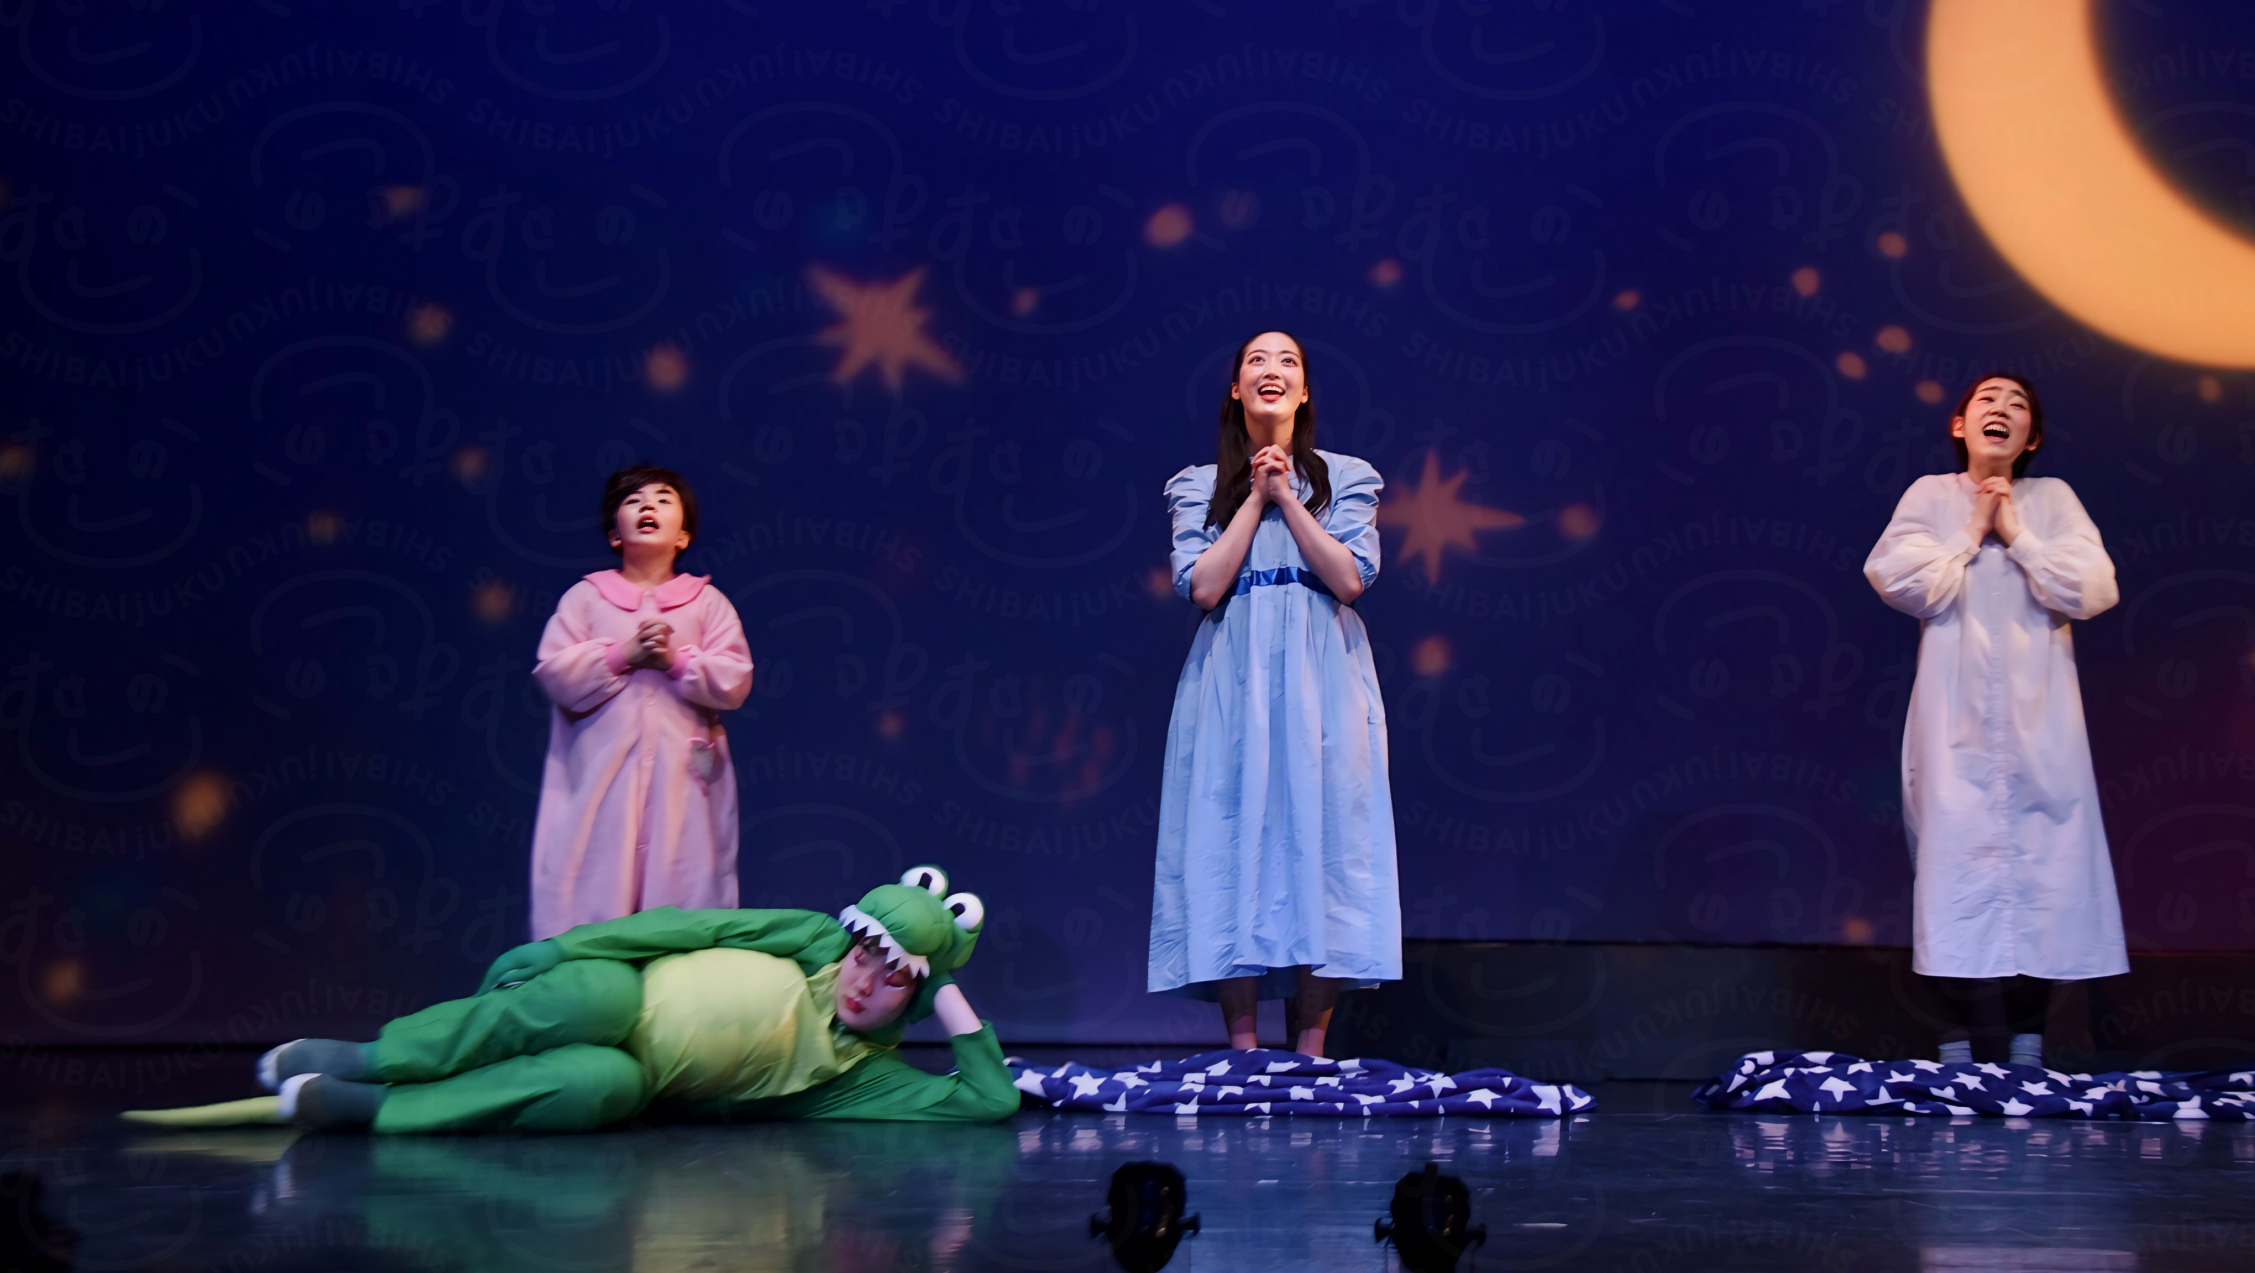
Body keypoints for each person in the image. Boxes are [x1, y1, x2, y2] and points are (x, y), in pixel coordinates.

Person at [122, 867, 1017, 1132]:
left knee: (594, 1086)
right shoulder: (812, 938)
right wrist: (564, 945)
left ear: (915, 995)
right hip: (624, 993)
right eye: (865, 956)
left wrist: (943, 989)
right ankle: (369, 1057)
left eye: (891, 977)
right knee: (581, 997)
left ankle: (376, 1109)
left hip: (641, 1077)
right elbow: (687, 926)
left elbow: (989, 1100)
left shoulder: (862, 1075)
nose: (862, 980)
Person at [1862, 372, 2125, 1068]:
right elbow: (1900, 580)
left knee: (2047, 869)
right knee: (1950, 867)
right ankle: (1955, 1046)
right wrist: (1972, 532)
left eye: (2017, 405)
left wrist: (2020, 536)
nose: (2002, 409)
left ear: (2030, 436)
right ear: (1960, 424)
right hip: (1954, 719)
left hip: (2043, 717)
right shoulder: (1931, 495)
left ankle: (2028, 1046)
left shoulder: (2053, 499)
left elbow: (2093, 588)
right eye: (1988, 399)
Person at [1150, 329, 1399, 1057]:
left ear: (1304, 390)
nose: (1273, 369)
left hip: (1324, 677)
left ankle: (1311, 1051)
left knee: (1326, 835)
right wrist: (1253, 498)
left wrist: (1287, 496)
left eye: (1288, 360)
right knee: (1227, 835)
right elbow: (1203, 586)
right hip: (1233, 676)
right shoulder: (1197, 484)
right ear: (1236, 388)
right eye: (1257, 360)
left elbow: (1348, 578)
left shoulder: (1348, 477)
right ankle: (1244, 1051)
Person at [529, 465, 752, 939]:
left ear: (683, 535)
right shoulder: (587, 599)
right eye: (633, 500)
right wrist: (622, 655)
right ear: (615, 534)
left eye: (663, 499)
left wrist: (675, 660)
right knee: (595, 876)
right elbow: (555, 672)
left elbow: (734, 679)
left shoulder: (707, 603)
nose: (648, 505)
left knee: (685, 879)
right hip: (604, 778)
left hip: (682, 782)